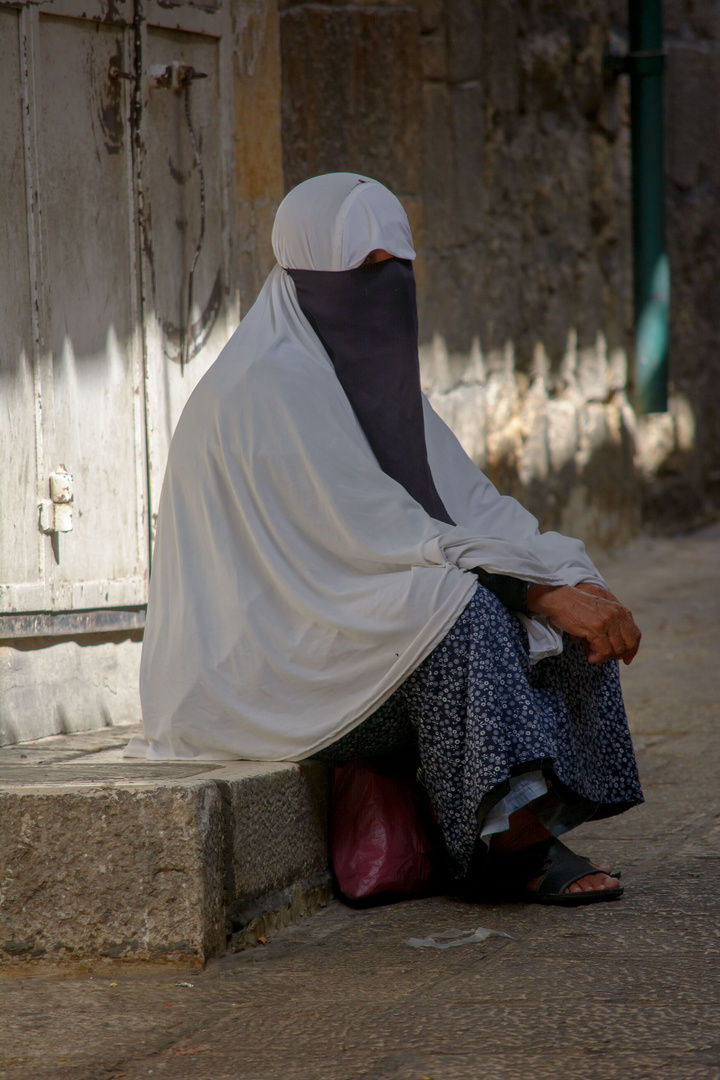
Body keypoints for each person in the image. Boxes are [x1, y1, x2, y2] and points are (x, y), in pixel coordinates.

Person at [126, 173, 643, 906]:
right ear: (306, 277)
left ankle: (532, 808)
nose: (386, 289)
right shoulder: (264, 388)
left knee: (556, 574)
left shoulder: (378, 385)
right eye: (364, 273)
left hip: (346, 637)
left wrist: (563, 576)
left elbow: (471, 508)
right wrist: (537, 591)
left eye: (397, 270)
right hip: (264, 669)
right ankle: (511, 848)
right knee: (460, 608)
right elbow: (375, 534)